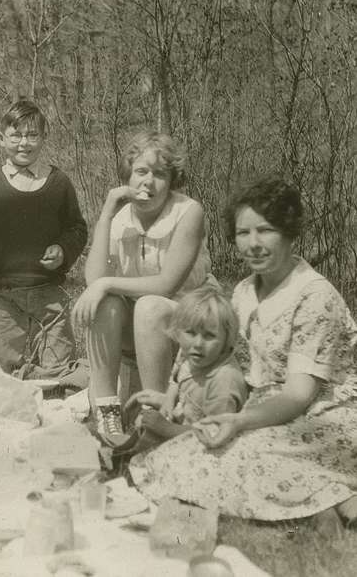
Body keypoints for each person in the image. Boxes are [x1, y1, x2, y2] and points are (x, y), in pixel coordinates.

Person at [129, 178, 357, 529]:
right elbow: (216, 356)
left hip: (322, 415)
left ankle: (326, 497)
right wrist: (172, 395)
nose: (252, 245)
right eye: (242, 233)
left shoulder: (314, 296)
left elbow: (299, 395)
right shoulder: (243, 291)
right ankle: (321, 500)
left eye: (264, 231)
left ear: (289, 232)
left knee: (241, 451)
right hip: (263, 410)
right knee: (190, 453)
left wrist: (237, 422)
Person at [71, 131, 214, 438]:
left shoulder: (188, 212)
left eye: (160, 174)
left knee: (147, 305)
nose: (149, 182)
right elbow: (94, 280)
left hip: (190, 323)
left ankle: (154, 416)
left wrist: (106, 283)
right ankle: (107, 411)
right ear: (127, 176)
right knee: (105, 301)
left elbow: (166, 284)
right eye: (141, 171)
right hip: (139, 329)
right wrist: (107, 213)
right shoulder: (120, 217)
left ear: (172, 180)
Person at [0, 99, 87, 376]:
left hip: (49, 293)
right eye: (16, 135)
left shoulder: (59, 183)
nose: (24, 143)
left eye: (32, 135)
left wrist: (63, 249)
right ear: (1, 139)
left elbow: (77, 228)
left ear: (44, 137)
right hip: (3, 296)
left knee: (61, 372)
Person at [123, 285, 247, 451]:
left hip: (208, 449)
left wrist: (167, 429)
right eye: (190, 333)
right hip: (186, 428)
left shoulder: (224, 380)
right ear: (178, 333)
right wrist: (166, 400)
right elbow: (177, 381)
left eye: (210, 336)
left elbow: (216, 435)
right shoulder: (190, 355)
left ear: (227, 340)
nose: (198, 344)